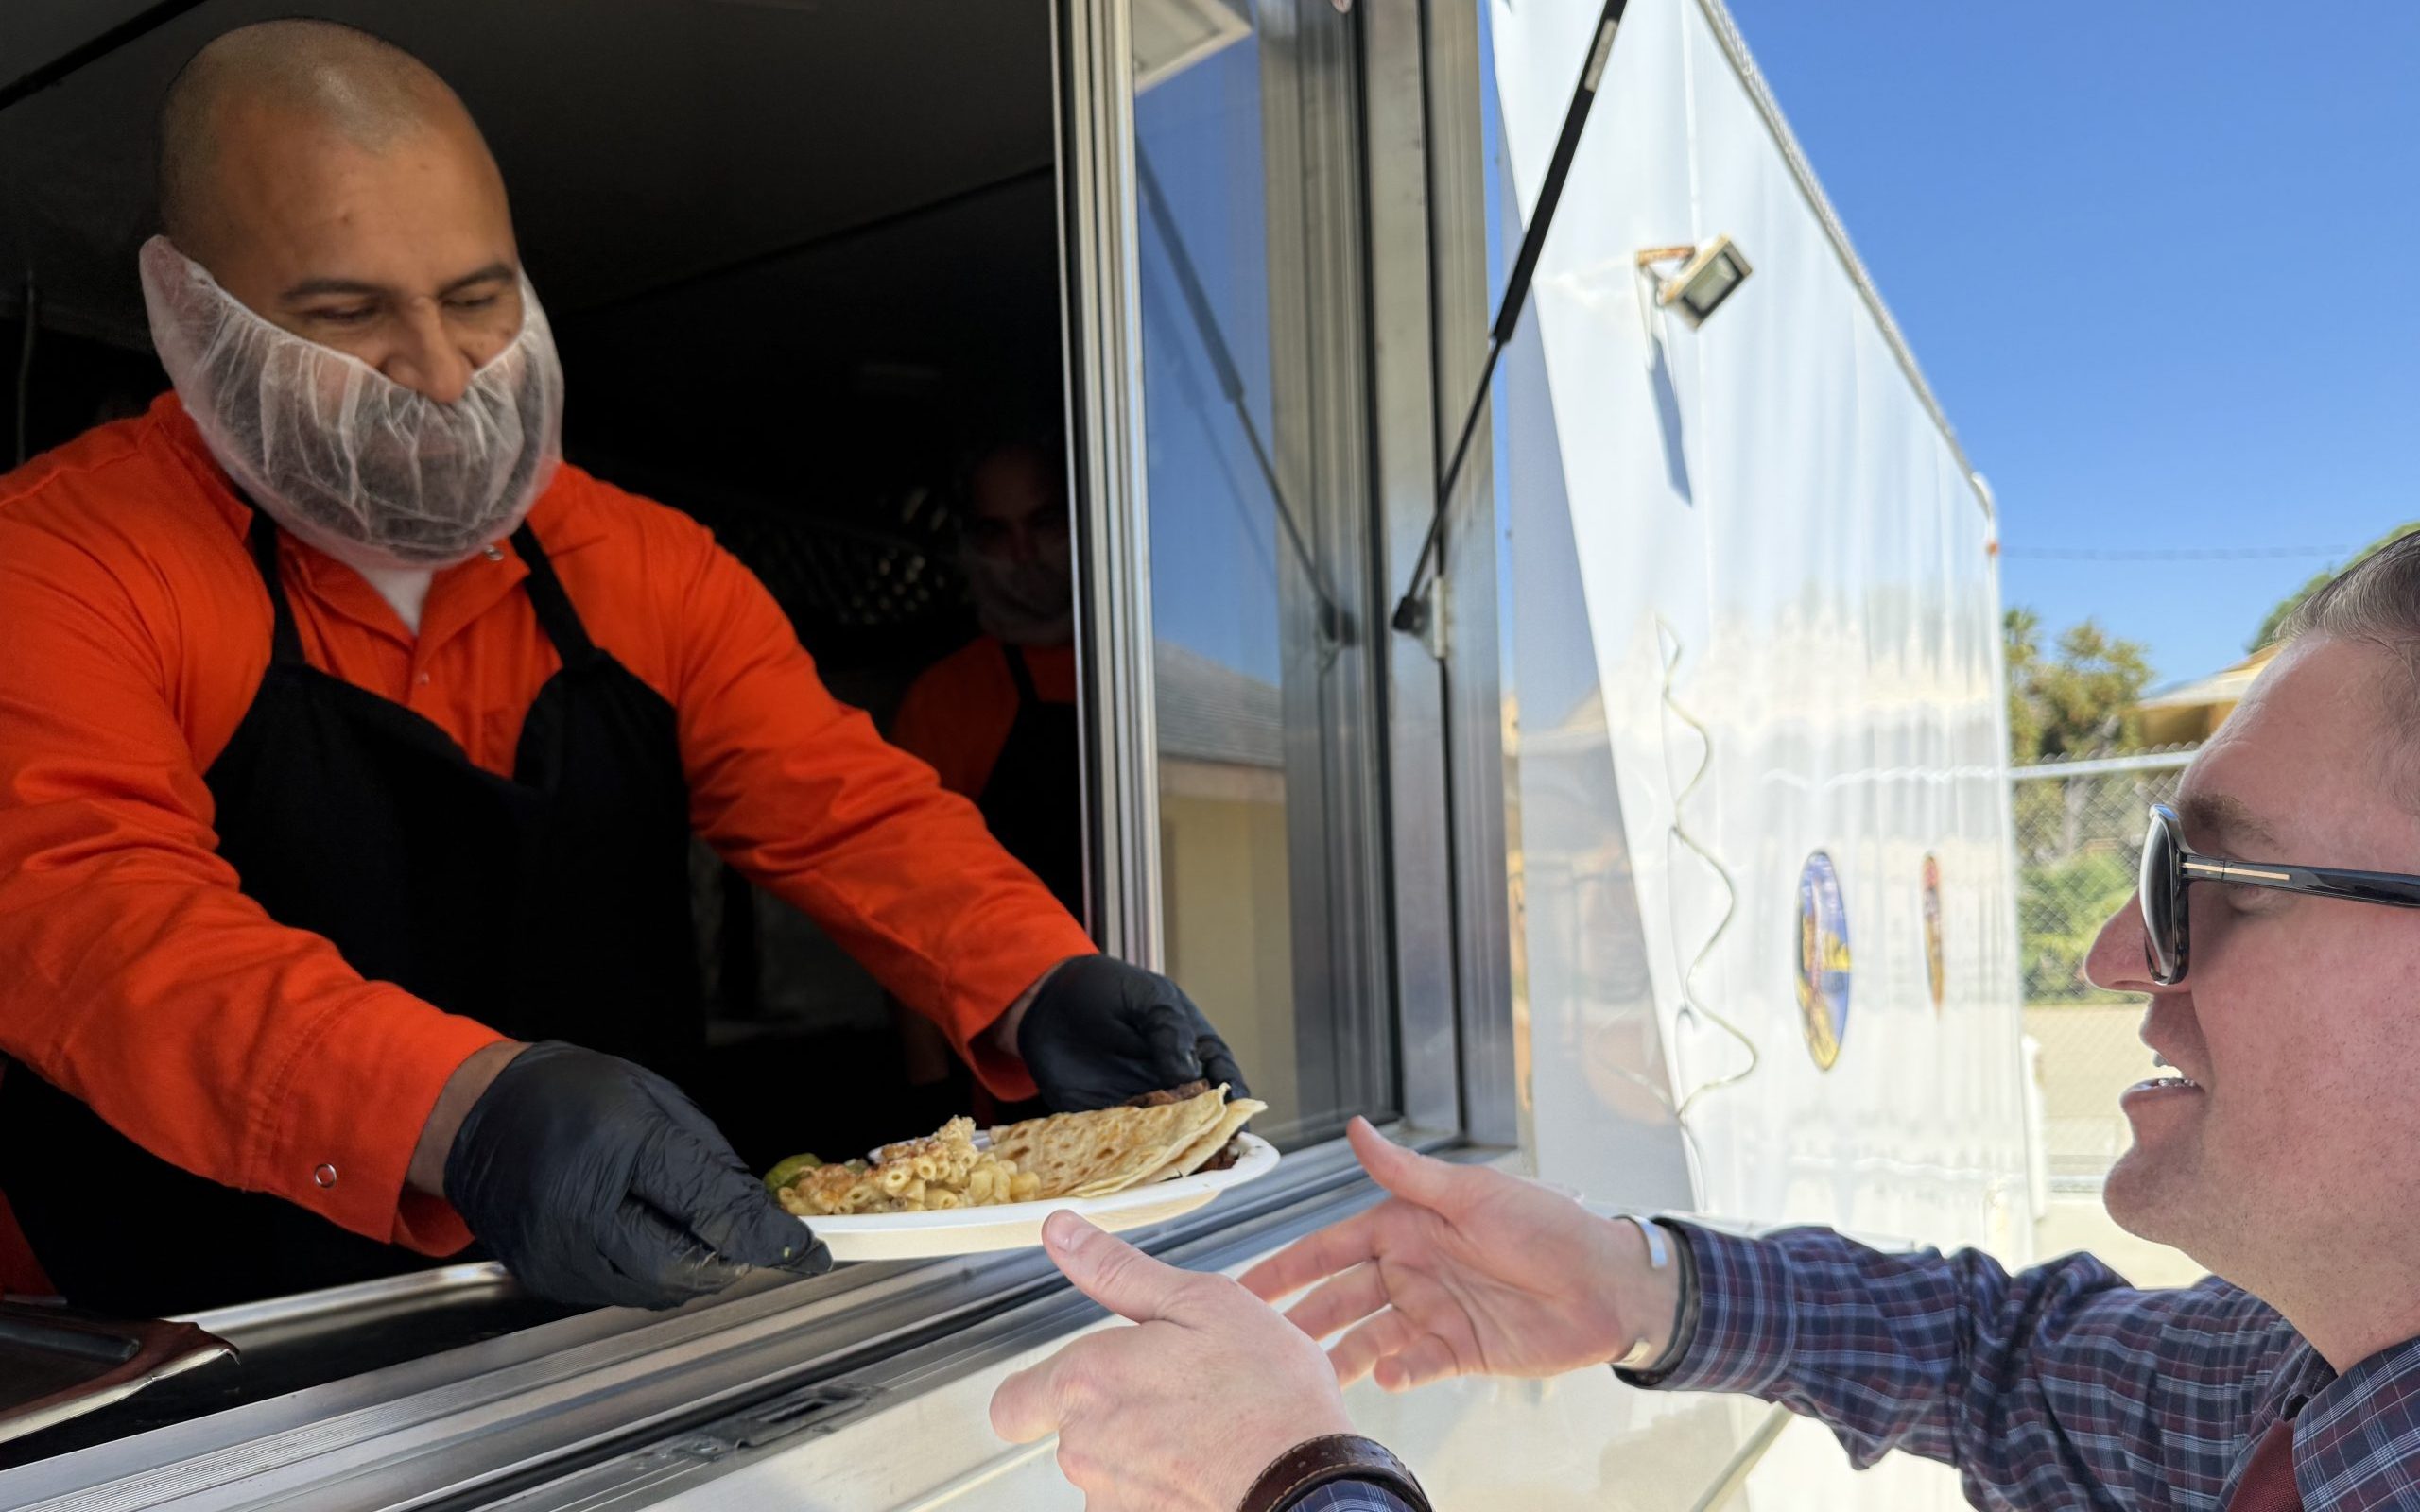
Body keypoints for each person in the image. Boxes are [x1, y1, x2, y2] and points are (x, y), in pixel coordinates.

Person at [0, 19, 1244, 1319]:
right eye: (348, 315)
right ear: (196, 317)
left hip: (605, 1309)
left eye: (478, 300)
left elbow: (838, 799)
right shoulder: (65, 563)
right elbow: (92, 915)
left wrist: (1035, 974)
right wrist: (459, 1114)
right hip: (185, 1340)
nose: (438, 375)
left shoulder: (639, 564)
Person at [991, 536, 2420, 1510]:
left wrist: (1295, 1480)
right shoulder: (2318, 1382)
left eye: (2204, 879)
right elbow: (2006, 1361)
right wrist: (1636, 1283)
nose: (2120, 952)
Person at [892, 435, 1081, 917]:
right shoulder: (946, 700)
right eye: (997, 532)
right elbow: (918, 902)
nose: (1023, 554)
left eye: (1043, 522)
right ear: (970, 545)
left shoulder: (1149, 679)